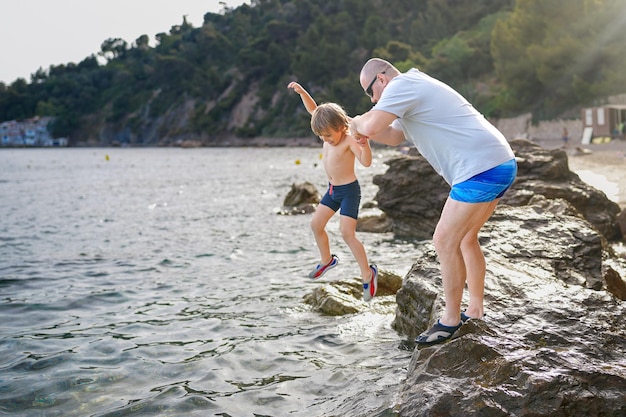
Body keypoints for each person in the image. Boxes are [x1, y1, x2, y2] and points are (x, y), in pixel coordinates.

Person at [349, 59, 517, 343]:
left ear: (381, 79)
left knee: (443, 241)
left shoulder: (402, 85)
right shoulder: (413, 87)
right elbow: (390, 135)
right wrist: (365, 132)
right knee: (466, 239)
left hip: (479, 169)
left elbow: (373, 121)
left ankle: (450, 319)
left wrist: (355, 122)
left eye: (370, 92)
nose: (374, 99)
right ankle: (474, 309)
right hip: (500, 162)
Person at [288, 81, 379, 301]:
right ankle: (327, 260)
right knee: (316, 225)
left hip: (349, 192)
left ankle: (368, 273)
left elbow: (366, 162)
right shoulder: (327, 129)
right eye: (322, 136)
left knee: (347, 234)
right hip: (332, 190)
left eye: (328, 135)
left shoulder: (349, 139)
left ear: (341, 127)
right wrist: (302, 92)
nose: (325, 139)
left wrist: (364, 144)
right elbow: (314, 109)